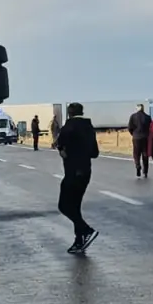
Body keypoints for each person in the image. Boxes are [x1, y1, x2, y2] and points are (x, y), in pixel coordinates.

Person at [55, 102, 99, 253]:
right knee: (75, 207)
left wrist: (64, 151)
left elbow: (60, 147)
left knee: (64, 206)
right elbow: (95, 153)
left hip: (72, 172)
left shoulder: (68, 128)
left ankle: (86, 230)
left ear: (69, 113)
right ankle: (79, 240)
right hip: (86, 171)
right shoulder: (89, 127)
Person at [127, 103, 152, 178]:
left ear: (137, 108)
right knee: (145, 154)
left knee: (136, 154)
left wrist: (133, 134)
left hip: (136, 137)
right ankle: (145, 171)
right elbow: (150, 128)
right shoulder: (148, 117)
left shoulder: (133, 116)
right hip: (145, 137)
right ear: (143, 108)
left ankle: (138, 166)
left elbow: (130, 127)